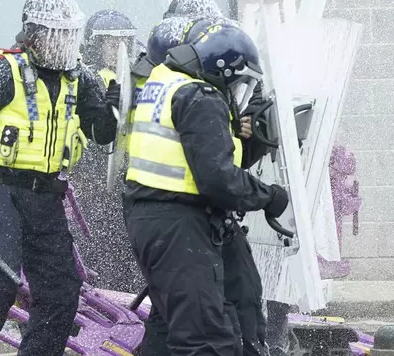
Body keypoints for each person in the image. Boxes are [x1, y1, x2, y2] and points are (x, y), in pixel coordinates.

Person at [0, 0, 119, 356]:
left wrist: (111, 109)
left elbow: (101, 136)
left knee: (61, 292)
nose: (66, 42)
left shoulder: (81, 78)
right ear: (33, 35)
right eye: (58, 34)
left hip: (47, 196)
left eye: (71, 34)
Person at [123, 22, 289, 356]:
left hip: (156, 216)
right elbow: (219, 180)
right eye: (239, 81)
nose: (237, 91)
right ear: (225, 69)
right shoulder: (199, 97)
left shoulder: (165, 81)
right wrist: (268, 196)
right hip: (180, 223)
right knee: (205, 340)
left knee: (174, 325)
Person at [70, 9, 144, 293]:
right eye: (113, 44)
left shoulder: (135, 81)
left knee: (130, 254)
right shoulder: (87, 80)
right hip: (92, 183)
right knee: (98, 252)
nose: (120, 50)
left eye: (125, 42)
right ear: (96, 47)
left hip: (127, 182)